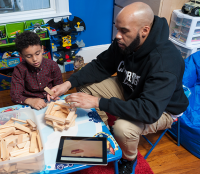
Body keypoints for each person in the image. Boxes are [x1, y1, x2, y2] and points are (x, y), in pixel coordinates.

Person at [48, 2, 189, 174]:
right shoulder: (126, 41)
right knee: (84, 88)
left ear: (145, 30)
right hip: (131, 89)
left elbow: (149, 111)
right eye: (117, 29)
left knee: (123, 128)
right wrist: (68, 83)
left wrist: (98, 102)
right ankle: (104, 136)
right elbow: (101, 65)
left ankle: (129, 158)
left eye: (124, 31)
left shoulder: (165, 61)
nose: (117, 36)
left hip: (161, 108)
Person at [10, 31, 63, 110]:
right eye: (28, 56)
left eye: (37, 53)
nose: (35, 59)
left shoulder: (52, 65)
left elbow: (60, 86)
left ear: (42, 49)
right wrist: (29, 100)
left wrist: (56, 93)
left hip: (50, 100)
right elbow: (15, 96)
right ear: (22, 56)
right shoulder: (19, 70)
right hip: (31, 104)